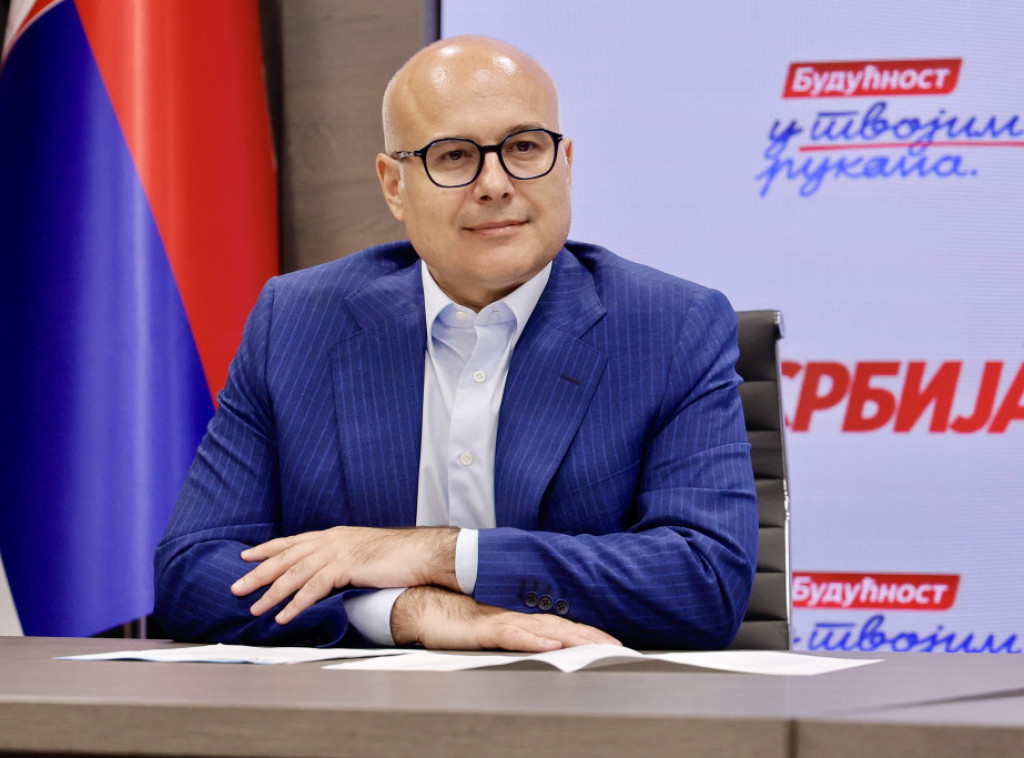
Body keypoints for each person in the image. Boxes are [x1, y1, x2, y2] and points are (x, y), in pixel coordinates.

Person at [154, 35, 758, 652]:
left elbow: (704, 584)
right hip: (362, 707)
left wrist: (435, 554)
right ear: (394, 185)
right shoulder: (298, 322)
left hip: (580, 701)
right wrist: (408, 611)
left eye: (524, 147)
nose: (495, 183)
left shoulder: (670, 326)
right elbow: (192, 577)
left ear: (566, 163)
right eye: (453, 156)